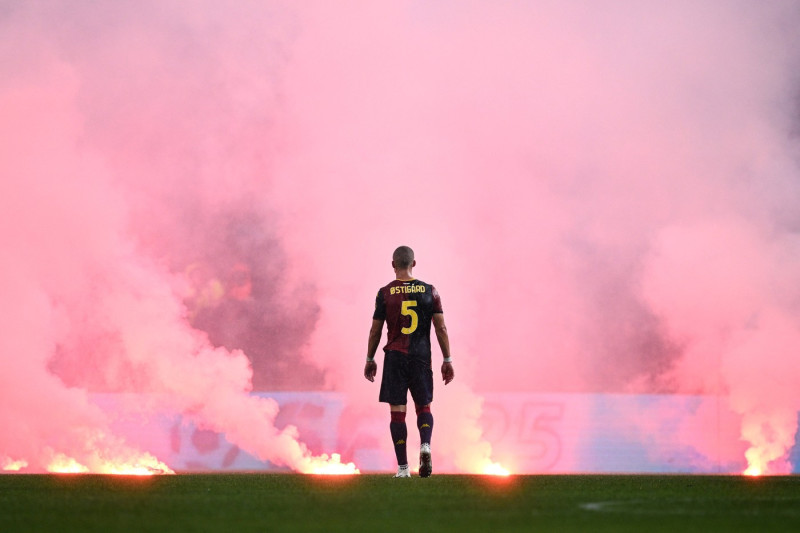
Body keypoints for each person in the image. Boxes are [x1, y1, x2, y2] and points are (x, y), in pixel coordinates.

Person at [364, 245, 454, 478]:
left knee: (398, 412)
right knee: (423, 406)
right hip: (421, 356)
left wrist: (370, 358)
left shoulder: (384, 293)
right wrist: (447, 359)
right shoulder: (430, 291)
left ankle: (403, 468)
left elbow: (375, 331)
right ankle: (425, 445)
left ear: (393, 264)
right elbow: (440, 327)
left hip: (395, 356)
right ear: (413, 264)